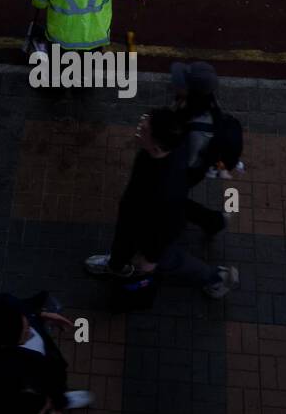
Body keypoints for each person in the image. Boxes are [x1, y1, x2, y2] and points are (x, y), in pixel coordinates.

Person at [84, 109, 238, 301]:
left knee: (168, 259)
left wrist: (151, 257)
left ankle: (217, 278)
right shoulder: (170, 149)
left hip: (147, 227)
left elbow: (167, 226)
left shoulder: (162, 188)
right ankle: (215, 222)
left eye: (145, 129)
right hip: (147, 212)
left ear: (156, 146)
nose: (140, 128)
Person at [171, 61, 228, 240]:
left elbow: (189, 161)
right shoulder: (199, 103)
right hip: (189, 165)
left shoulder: (200, 128)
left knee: (170, 198)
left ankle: (213, 221)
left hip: (189, 169)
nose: (175, 83)